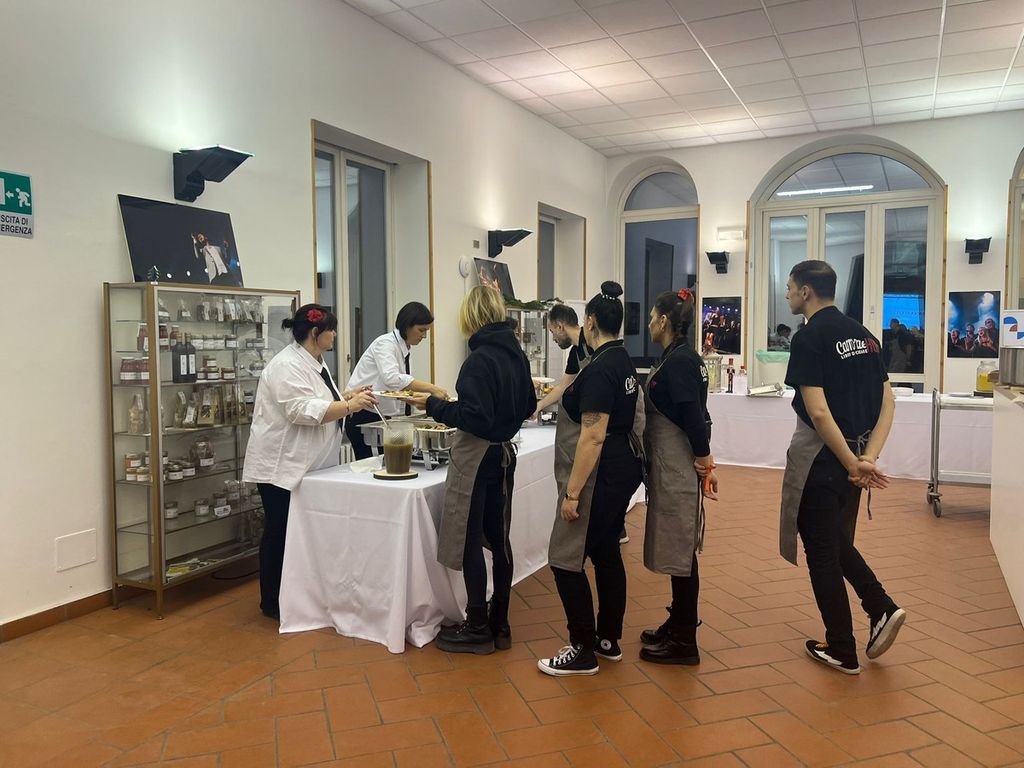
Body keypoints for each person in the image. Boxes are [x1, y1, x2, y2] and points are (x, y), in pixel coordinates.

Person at [779, 261, 905, 675]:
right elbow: (888, 402)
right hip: (853, 461)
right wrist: (868, 457)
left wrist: (853, 462)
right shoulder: (865, 336)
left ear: (806, 292)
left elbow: (818, 412)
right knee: (833, 539)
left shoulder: (808, 337)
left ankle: (842, 647)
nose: (787, 294)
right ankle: (879, 607)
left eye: (790, 287)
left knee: (822, 552)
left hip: (822, 462)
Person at [404, 287, 536, 654]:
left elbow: (474, 417)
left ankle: (477, 624)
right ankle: (500, 622)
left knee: (467, 538)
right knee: (499, 540)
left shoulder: (479, 360)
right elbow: (529, 404)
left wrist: (435, 406)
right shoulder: (517, 355)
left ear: (472, 317)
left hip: (476, 458)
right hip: (502, 455)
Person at [242, 304, 378, 619]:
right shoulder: (285, 365)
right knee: (279, 531)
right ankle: (272, 601)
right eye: (331, 330)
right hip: (280, 465)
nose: (335, 335)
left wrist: (347, 396)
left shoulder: (315, 360)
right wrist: (350, 406)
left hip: (307, 464)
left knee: (299, 533)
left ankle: (297, 594)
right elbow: (301, 410)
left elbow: (320, 398)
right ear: (316, 333)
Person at [538, 281, 644, 677]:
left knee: (564, 560)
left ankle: (582, 647)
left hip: (601, 474)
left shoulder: (600, 369)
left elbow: (593, 436)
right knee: (605, 551)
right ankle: (607, 639)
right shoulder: (622, 359)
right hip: (621, 469)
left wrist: (572, 493)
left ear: (590, 322)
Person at [638, 288, 719, 665]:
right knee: (677, 545)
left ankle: (686, 640)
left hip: (677, 466)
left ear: (664, 321)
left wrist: (705, 462)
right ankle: (678, 620)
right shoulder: (677, 356)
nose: (648, 324)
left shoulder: (682, 361)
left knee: (682, 548)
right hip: (669, 464)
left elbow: (693, 417)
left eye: (652, 317)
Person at [534, 304, 630, 545]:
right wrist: (538, 406)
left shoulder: (599, 352)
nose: (553, 338)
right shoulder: (576, 353)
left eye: (552, 331)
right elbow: (564, 386)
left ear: (560, 326)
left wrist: (571, 495)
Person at [345, 302, 448, 459]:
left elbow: (398, 386)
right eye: (421, 330)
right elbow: (392, 379)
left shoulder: (404, 348)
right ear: (407, 326)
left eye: (426, 331)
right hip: (365, 415)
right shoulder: (385, 344)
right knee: (374, 468)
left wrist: (414, 399)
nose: (424, 336)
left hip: (383, 417)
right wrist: (432, 388)